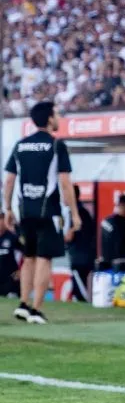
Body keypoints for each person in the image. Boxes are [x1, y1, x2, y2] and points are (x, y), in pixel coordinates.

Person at [4, 101, 80, 325]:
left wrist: (7, 208)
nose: (59, 118)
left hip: (25, 210)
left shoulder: (20, 145)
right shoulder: (56, 146)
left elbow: (9, 180)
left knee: (28, 258)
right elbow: (65, 183)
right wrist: (74, 214)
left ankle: (23, 304)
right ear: (49, 118)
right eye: (56, 114)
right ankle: (36, 310)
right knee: (44, 259)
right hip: (49, 211)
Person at [67, 185, 97, 302]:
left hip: (81, 260)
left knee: (82, 294)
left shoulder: (79, 213)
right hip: (81, 258)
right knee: (78, 292)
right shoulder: (81, 212)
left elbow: (69, 236)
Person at [100, 194, 125, 263]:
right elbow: (120, 249)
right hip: (118, 267)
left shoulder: (107, 220)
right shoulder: (120, 226)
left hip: (105, 265)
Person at [0, 222, 22, 298]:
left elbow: (27, 253)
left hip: (10, 280)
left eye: (1, 219)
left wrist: (21, 270)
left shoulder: (12, 237)